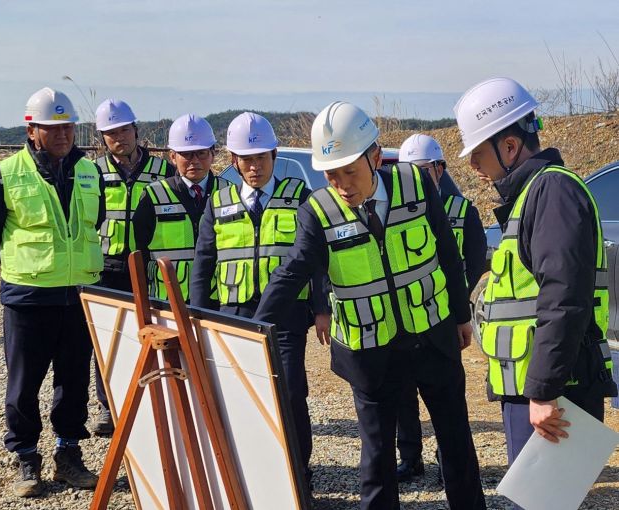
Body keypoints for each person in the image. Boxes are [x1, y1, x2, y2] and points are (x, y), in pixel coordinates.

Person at [254, 101, 485, 509]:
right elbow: (291, 273)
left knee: (456, 444)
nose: (341, 184)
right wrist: (247, 332)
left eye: (349, 170)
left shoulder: (416, 184)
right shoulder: (318, 213)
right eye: (331, 173)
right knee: (376, 460)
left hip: (432, 338)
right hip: (371, 352)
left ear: (375, 157)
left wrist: (461, 316)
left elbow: (449, 253)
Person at [454, 77, 617, 509]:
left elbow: (564, 300)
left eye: (478, 154)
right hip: (538, 388)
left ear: (509, 147)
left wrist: (543, 390)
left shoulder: (552, 192)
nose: (473, 167)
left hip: (555, 392)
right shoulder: (532, 195)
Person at [0, 87, 104, 497]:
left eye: (68, 127)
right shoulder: (2, 174)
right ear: (33, 131)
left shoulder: (88, 171)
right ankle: (26, 459)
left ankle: (69, 455)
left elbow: (91, 221)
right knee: (24, 384)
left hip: (77, 294)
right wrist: (22, 264)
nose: (63, 135)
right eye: (53, 128)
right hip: (29, 297)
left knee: (74, 381)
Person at [189, 112, 329, 489]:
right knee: (238, 394)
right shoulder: (218, 202)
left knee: (291, 392)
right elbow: (203, 263)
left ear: (274, 155)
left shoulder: (298, 196)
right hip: (232, 315)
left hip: (285, 317)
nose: (254, 167)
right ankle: (250, 471)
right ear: (234, 161)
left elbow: (316, 257)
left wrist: (321, 307)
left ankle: (299, 471)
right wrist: (198, 316)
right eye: (246, 159)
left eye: (261, 158)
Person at [395, 134, 487, 482]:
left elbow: (475, 259)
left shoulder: (463, 211)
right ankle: (410, 456)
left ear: (439, 169)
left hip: (446, 317)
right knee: (403, 389)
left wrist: (456, 302)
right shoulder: (397, 211)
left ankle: (446, 455)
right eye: (408, 171)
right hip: (406, 317)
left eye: (421, 170)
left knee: (446, 394)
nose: (415, 178)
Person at [92, 98, 175, 435]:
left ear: (136, 131)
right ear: (102, 137)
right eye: (111, 133)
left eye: (124, 130)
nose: (119, 138)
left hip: (148, 268)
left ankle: (156, 399)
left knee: (153, 336)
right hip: (107, 267)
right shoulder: (93, 172)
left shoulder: (163, 171)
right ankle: (107, 406)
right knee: (107, 341)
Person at [133, 114, 229, 300]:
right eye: (186, 154)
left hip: (218, 301)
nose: (194, 160)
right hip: (168, 301)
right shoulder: (153, 196)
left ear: (213, 153)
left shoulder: (228, 193)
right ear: (173, 156)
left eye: (201, 152)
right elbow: (140, 251)